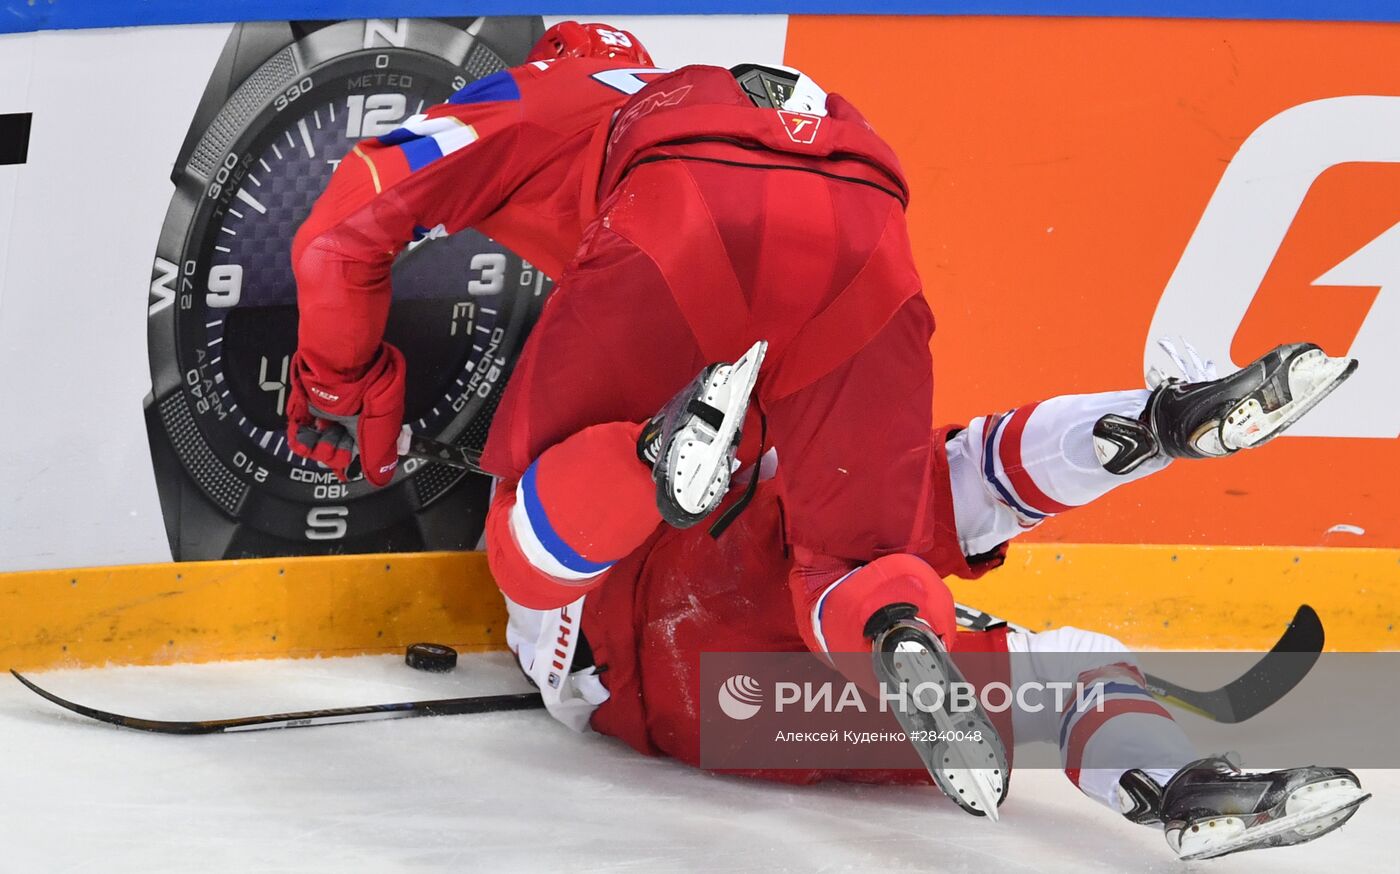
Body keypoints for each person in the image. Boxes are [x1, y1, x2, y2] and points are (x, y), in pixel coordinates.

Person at [287, 22, 1367, 859]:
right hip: (854, 202)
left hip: (638, 658)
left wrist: (343, 381)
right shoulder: (669, 92)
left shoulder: (540, 97)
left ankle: (662, 466)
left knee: (530, 550)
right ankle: (1173, 767)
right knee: (933, 567)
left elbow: (348, 218)